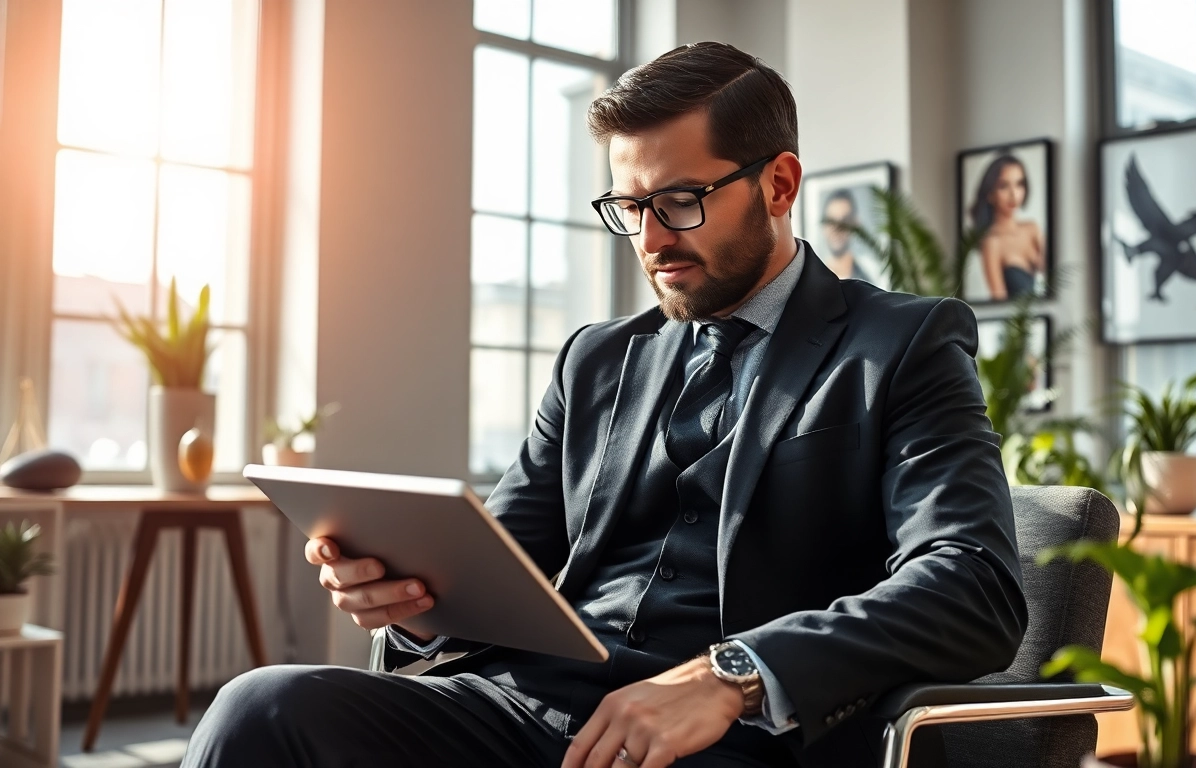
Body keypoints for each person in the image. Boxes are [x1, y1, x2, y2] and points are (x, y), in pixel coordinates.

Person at [183, 42, 1025, 768]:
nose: (653, 240)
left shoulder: (900, 344)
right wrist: (410, 609)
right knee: (262, 708)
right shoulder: (597, 359)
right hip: (521, 709)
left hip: (729, 740)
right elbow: (500, 567)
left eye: (681, 201)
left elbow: (973, 587)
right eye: (631, 208)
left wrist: (729, 675)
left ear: (779, 182)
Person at [968, 154, 1045, 301]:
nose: (1013, 194)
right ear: (990, 193)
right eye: (1004, 186)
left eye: (1019, 184)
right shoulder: (992, 242)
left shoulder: (1032, 228)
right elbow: (999, 302)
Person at [818, 188, 874, 284]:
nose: (837, 229)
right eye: (831, 221)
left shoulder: (869, 273)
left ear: (855, 223)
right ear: (824, 226)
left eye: (844, 221)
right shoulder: (814, 276)